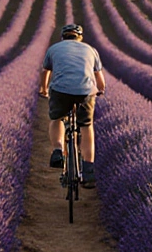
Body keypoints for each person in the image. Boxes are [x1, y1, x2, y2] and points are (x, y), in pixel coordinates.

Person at [38, 23, 105, 187]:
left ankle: (57, 151)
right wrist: (100, 90)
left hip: (60, 90)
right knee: (86, 126)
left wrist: (43, 90)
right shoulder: (91, 50)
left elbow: (45, 72)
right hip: (86, 91)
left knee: (57, 118)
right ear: (80, 38)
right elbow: (100, 80)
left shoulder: (54, 49)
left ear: (63, 37)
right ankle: (88, 169)